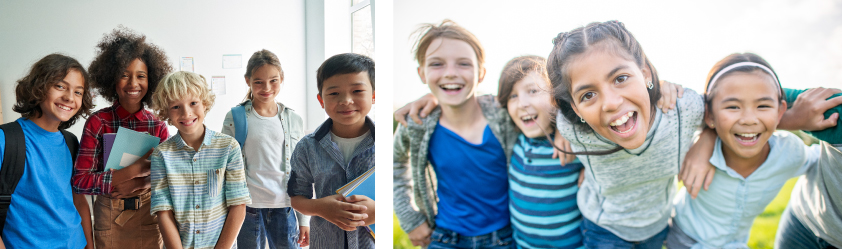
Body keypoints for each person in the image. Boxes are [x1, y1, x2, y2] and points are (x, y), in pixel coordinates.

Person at [668, 53, 830, 248]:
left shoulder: (790, 152)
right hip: (683, 236)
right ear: (709, 114)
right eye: (733, 106)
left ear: (780, 111)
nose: (749, 119)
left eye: (762, 105)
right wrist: (706, 136)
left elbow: (822, 158)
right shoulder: (693, 148)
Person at [392, 20, 518, 249]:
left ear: (481, 73)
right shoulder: (417, 123)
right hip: (445, 239)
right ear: (422, 73)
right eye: (437, 64)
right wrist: (410, 219)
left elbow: (547, 111)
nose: (450, 73)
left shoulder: (507, 116)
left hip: (506, 238)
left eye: (463, 64)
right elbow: (394, 166)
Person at [71, 26, 172, 249]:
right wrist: (128, 174)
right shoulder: (98, 123)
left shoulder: (158, 126)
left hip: (148, 217)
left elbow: (169, 178)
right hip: (109, 218)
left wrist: (142, 181)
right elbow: (80, 182)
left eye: (141, 76)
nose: (133, 83)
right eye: (124, 75)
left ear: (152, 80)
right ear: (112, 80)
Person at [0, 54, 93, 248]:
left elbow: (78, 200)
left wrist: (89, 245)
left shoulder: (71, 142)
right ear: (39, 86)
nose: (69, 97)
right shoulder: (6, 140)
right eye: (60, 86)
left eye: (78, 92)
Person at [149, 71, 250, 249]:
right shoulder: (161, 155)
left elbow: (238, 205)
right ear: (166, 112)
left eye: (193, 103)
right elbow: (163, 211)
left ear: (205, 104)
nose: (186, 113)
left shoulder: (228, 147)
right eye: (175, 107)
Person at [221, 49, 310, 248]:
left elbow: (302, 172)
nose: (266, 87)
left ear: (282, 78)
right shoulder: (235, 117)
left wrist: (304, 220)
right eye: (258, 81)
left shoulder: (293, 119)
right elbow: (224, 165)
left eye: (273, 80)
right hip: (248, 207)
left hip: (285, 206)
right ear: (248, 81)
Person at [288, 53, 375, 249]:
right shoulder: (307, 147)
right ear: (321, 100)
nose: (346, 100)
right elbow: (297, 197)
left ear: (374, 95)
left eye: (357, 90)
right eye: (334, 93)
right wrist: (321, 207)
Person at [497, 56, 584, 248]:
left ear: (556, 97)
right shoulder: (517, 141)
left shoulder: (574, 142)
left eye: (533, 91)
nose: (522, 103)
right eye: (513, 96)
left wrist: (564, 127)